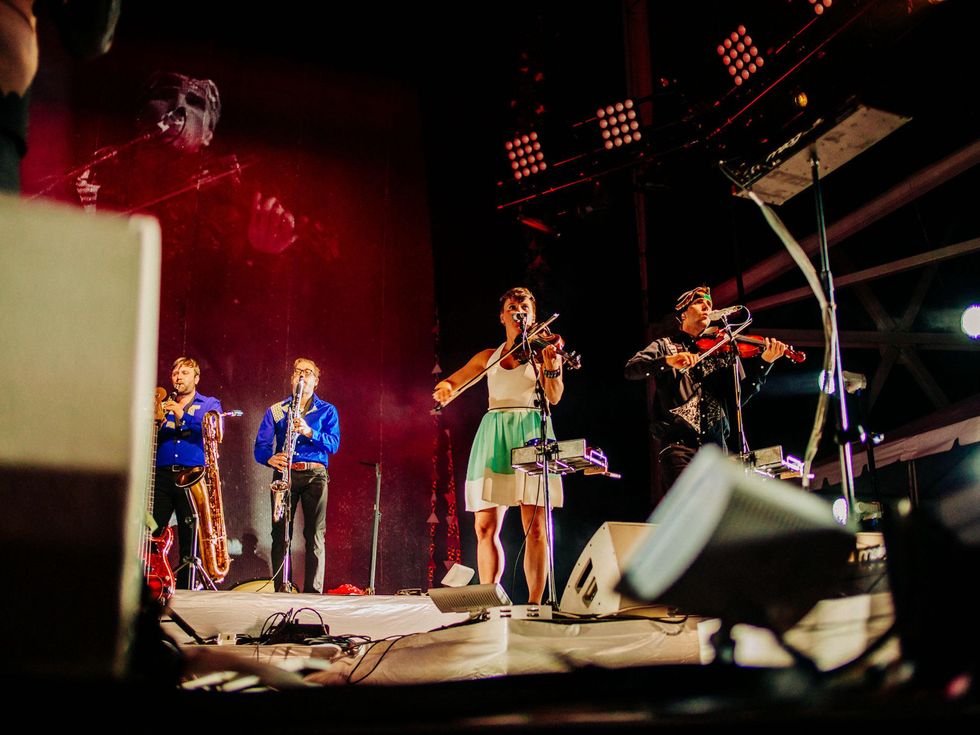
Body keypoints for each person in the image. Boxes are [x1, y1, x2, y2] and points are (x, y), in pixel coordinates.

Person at [432, 287, 564, 605]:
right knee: (484, 526)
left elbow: (554, 395)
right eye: (512, 307)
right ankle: (488, 599)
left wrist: (551, 365)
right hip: (495, 434)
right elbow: (456, 380)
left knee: (535, 527)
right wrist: (446, 387)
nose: (519, 311)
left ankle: (534, 604)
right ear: (503, 316)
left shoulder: (542, 351)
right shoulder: (489, 356)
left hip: (531, 431)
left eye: (525, 307)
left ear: (533, 315)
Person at [625, 285, 787, 494]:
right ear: (683, 314)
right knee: (689, 507)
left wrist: (764, 364)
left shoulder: (723, 350)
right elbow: (631, 369)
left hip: (716, 453)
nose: (706, 307)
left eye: (709, 304)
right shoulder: (666, 346)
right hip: (679, 449)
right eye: (699, 302)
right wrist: (667, 361)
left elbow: (737, 399)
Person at [254, 358, 340, 593]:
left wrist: (310, 431)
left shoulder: (327, 410)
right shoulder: (277, 410)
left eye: (308, 372)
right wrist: (269, 458)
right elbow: (261, 446)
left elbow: (334, 444)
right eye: (297, 371)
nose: (302, 375)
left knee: (315, 535)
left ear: (316, 381)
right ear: (292, 378)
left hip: (315, 475)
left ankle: (313, 593)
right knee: (280, 533)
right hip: (285, 474)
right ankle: (282, 587)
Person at [154, 356, 222, 589]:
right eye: (175, 373)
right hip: (162, 476)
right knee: (153, 530)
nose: (178, 377)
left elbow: (212, 430)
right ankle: (153, 580)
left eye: (184, 373)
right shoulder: (161, 404)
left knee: (189, 533)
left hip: (192, 476)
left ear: (196, 378)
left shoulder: (209, 403)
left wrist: (182, 415)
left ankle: (187, 585)